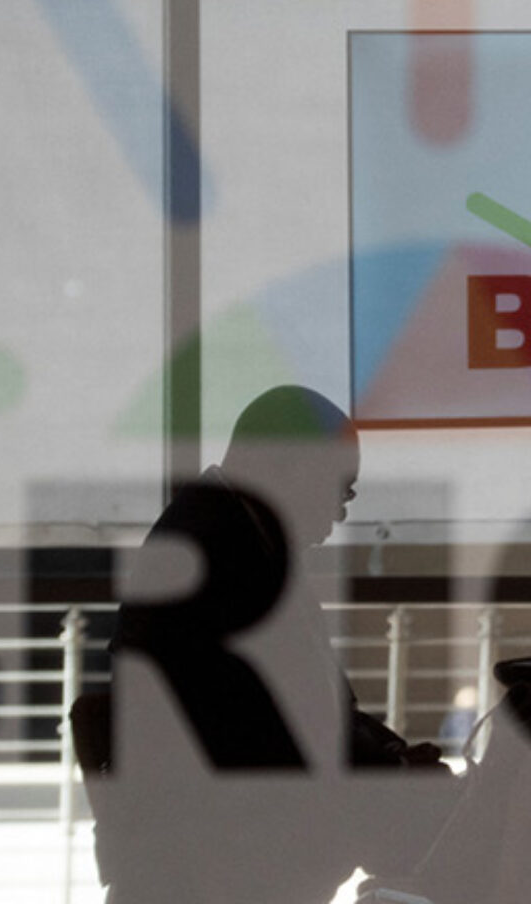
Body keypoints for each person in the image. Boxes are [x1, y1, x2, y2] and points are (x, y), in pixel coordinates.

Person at [99, 385, 443, 904]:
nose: (340, 514)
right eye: (340, 489)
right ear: (285, 466)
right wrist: (396, 771)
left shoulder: (224, 535)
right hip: (222, 852)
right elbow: (291, 727)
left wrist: (390, 758)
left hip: (198, 839)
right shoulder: (221, 558)